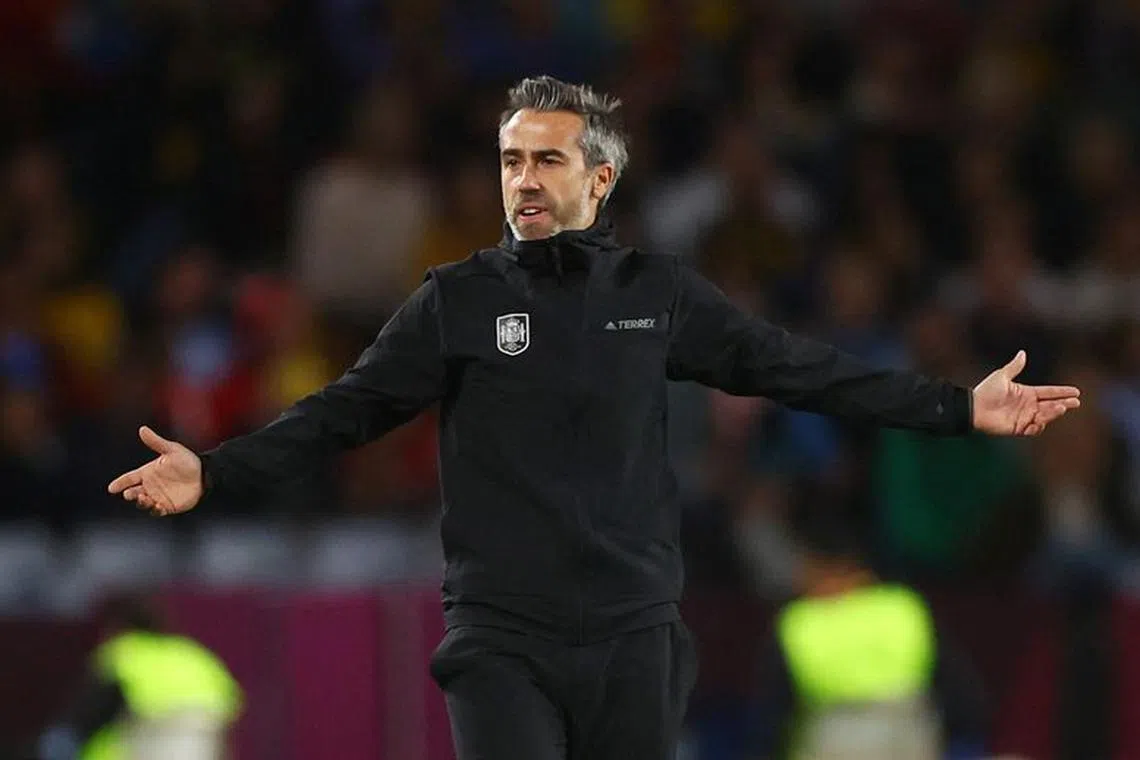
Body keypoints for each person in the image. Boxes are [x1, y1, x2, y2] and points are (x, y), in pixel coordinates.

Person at [107, 76, 1081, 760]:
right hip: (502, 635)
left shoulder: (657, 294)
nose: (522, 180)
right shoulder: (455, 302)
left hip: (633, 635)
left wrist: (957, 408)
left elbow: (801, 370)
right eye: (509, 161)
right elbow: (341, 414)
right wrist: (215, 471)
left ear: (600, 180)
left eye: (547, 160)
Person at [748, 515, 987, 760]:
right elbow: (961, 694)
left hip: (835, 737)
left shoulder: (800, 622)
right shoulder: (904, 608)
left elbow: (773, 716)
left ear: (819, 567)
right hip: (909, 733)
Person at [29, 595, 241, 760]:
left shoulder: (125, 651)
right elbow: (230, 707)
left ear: (118, 626)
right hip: (201, 743)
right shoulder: (192, 653)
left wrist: (66, 737)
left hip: (152, 738)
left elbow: (96, 706)